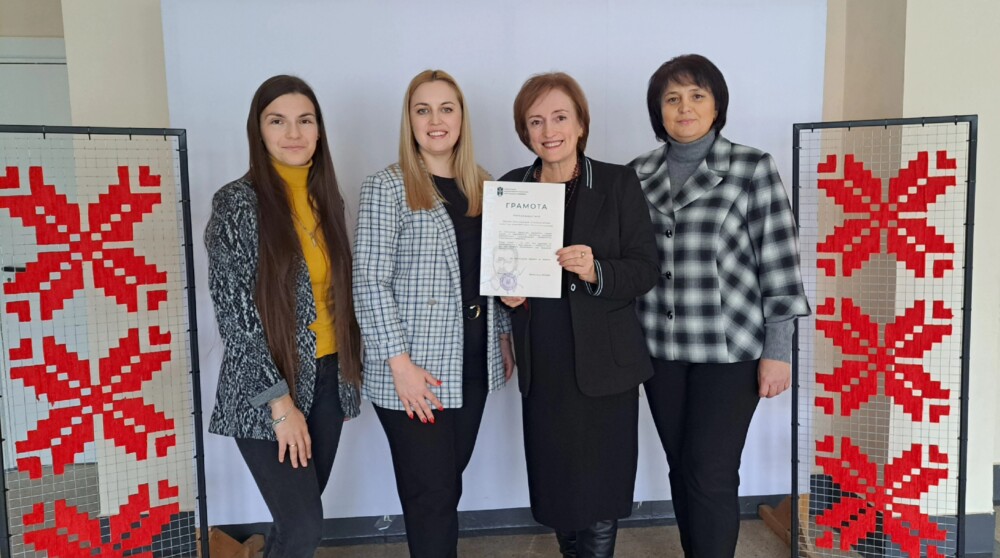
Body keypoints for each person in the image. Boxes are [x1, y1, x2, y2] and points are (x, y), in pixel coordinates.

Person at [628, 54, 811, 557]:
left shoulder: (751, 167)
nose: (684, 107)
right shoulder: (637, 174)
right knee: (682, 467)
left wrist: (779, 351)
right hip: (659, 350)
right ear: (658, 110)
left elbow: (780, 263)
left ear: (716, 105)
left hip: (731, 351)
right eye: (672, 98)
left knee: (710, 469)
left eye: (697, 96)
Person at [352, 69, 514, 558]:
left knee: (446, 487)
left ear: (462, 118)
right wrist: (399, 364)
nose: (435, 120)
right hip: (415, 370)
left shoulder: (484, 185)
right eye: (423, 110)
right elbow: (369, 281)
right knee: (432, 496)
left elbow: (495, 274)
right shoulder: (387, 186)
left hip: (473, 363)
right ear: (410, 120)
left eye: (446, 108)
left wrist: (502, 338)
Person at [499, 72, 658, 558]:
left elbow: (645, 269)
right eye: (536, 121)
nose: (549, 131)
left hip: (605, 362)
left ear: (581, 124)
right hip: (544, 360)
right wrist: (507, 295)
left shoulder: (616, 182)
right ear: (525, 131)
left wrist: (596, 270)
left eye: (560, 117)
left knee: (602, 489)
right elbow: (499, 271)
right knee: (556, 486)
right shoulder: (510, 188)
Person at [204, 75, 362, 558]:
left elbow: (338, 296)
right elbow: (236, 317)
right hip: (266, 389)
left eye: (305, 120)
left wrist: (350, 375)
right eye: (278, 121)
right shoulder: (236, 202)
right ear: (258, 130)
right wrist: (280, 405)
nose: (293, 133)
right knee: (303, 528)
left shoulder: (326, 198)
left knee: (295, 519)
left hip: (329, 379)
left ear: (319, 130)